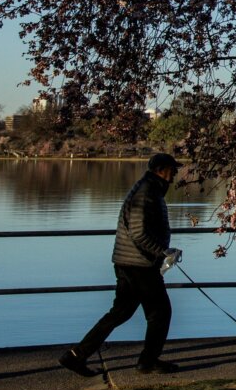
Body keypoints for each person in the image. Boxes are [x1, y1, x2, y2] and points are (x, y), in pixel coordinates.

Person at [60, 152, 183, 376]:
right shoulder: (146, 193)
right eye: (173, 169)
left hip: (128, 262)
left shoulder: (149, 190)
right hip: (138, 265)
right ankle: (148, 361)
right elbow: (138, 233)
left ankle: (76, 356)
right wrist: (163, 252)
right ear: (160, 170)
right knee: (160, 312)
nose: (176, 173)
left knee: (120, 313)